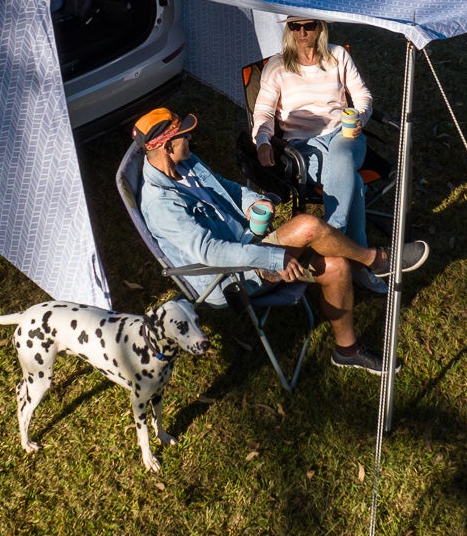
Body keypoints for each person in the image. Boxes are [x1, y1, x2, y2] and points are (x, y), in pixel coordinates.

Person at [132, 107, 425, 376]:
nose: (190, 138)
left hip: (249, 243)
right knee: (309, 226)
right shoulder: (161, 204)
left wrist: (252, 201)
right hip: (229, 278)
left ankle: (346, 351)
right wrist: (275, 259)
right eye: (184, 135)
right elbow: (210, 252)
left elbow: (229, 188)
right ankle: (376, 260)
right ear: (167, 146)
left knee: (336, 265)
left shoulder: (186, 164)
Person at [250, 18, 374, 252]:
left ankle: (333, 233)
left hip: (344, 135)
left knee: (341, 155)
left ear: (321, 27)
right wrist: (263, 142)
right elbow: (264, 112)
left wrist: (359, 117)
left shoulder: (337, 55)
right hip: (303, 147)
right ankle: (360, 255)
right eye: (295, 27)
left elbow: (363, 96)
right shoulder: (277, 66)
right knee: (353, 180)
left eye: (309, 25)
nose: (302, 32)